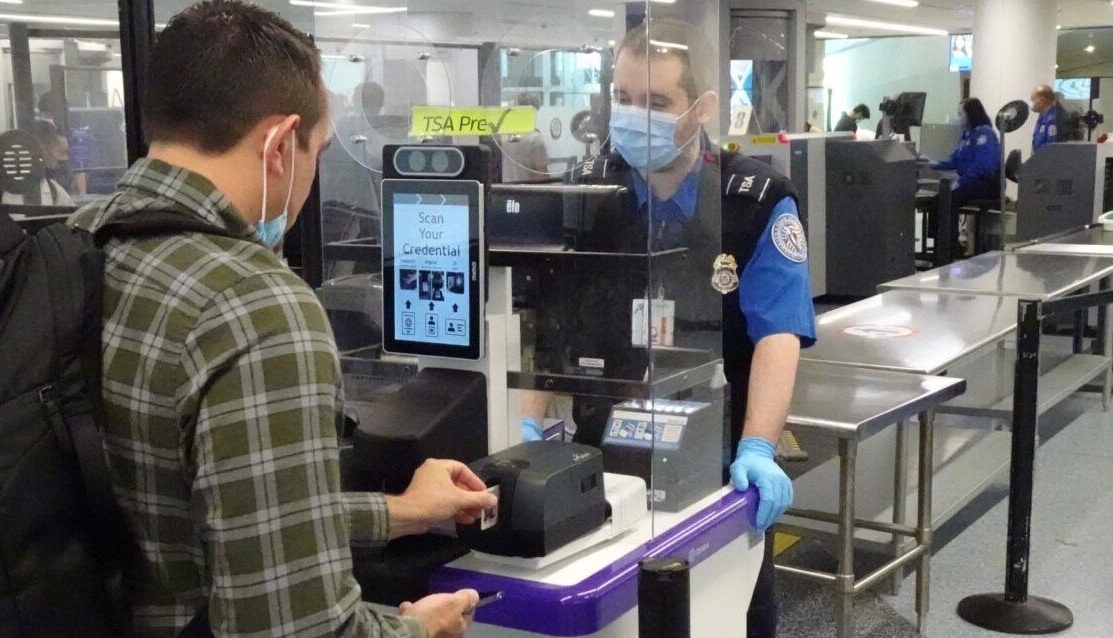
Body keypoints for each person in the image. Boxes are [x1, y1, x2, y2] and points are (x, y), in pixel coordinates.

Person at [68, 2, 495, 636]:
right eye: (317, 151)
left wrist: (398, 511)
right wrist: (420, 629)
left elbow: (194, 510)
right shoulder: (253, 305)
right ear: (278, 144)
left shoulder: (74, 246)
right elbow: (293, 627)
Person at [520, 19, 815, 637]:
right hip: (605, 456)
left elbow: (778, 335)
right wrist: (526, 429)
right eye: (622, 99)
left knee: (731, 614)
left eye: (655, 103)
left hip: (717, 459)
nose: (633, 116)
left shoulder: (754, 200)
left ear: (702, 108)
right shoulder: (593, 197)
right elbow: (552, 328)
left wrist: (759, 448)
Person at [932, 97, 1002, 209]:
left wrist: (960, 182)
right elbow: (954, 161)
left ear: (971, 114)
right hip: (971, 181)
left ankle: (948, 227)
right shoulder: (967, 135)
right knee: (937, 200)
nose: (959, 118)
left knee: (946, 200)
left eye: (961, 114)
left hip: (985, 184)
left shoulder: (985, 134)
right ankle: (939, 227)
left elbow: (982, 167)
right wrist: (933, 164)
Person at [501, 92, 551, 182]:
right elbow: (543, 175)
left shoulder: (504, 137)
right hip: (526, 192)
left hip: (503, 190)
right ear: (533, 111)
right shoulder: (535, 138)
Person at [1031, 84, 1070, 151]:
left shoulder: (1054, 119)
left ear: (1042, 101)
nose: (1031, 103)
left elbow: (1053, 147)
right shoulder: (1043, 116)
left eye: (1033, 100)